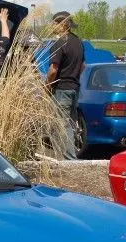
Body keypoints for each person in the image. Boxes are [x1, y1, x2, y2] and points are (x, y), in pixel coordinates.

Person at [44, 11, 85, 160]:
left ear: (61, 25)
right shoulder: (78, 42)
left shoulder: (59, 43)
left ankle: (70, 160)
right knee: (70, 123)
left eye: (54, 23)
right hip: (74, 87)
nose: (52, 26)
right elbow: (83, 66)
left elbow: (53, 69)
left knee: (64, 124)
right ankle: (62, 155)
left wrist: (47, 85)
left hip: (62, 88)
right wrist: (74, 76)